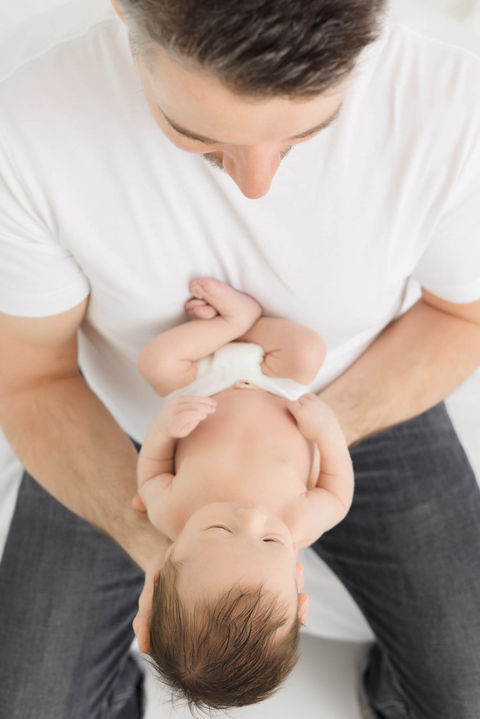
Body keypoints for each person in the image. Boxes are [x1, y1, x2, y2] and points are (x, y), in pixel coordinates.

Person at [0, 0, 479, 718]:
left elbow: (463, 316)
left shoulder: (446, 101)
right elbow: (32, 377)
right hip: (116, 421)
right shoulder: (32, 124)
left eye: (306, 134)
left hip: (354, 395)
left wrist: (312, 434)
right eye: (195, 136)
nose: (255, 186)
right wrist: (154, 544)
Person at [134, 276, 353, 708]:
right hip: (278, 385)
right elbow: (337, 490)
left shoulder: (169, 513)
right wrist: (327, 434)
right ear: (298, 591)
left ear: (164, 566)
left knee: (156, 361)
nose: (251, 516)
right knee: (308, 350)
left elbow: (153, 472)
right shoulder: (303, 520)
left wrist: (163, 431)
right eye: (271, 541)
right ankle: (243, 323)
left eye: (218, 529)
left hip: (203, 384)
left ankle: (232, 321)